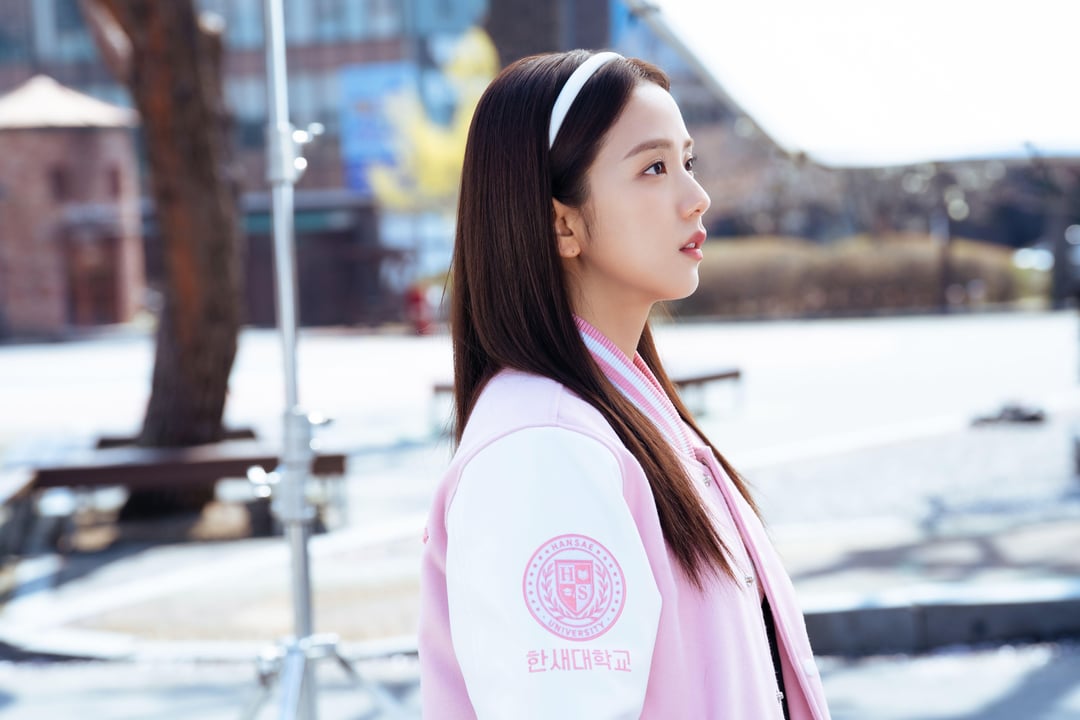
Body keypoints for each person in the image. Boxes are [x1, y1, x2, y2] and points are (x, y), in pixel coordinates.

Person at [419, 49, 831, 719]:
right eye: (653, 168)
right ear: (562, 222)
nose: (696, 197)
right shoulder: (544, 449)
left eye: (688, 162)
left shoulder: (614, 417)